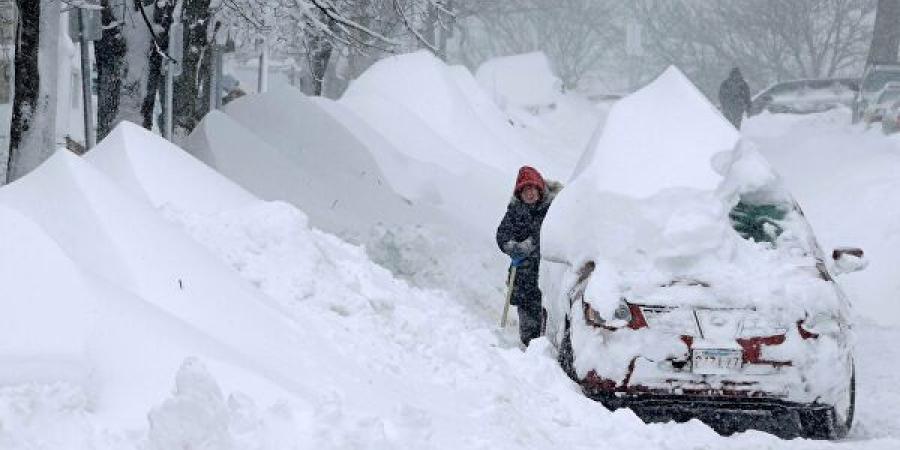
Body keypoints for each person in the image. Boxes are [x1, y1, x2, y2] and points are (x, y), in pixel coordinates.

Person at [496, 166, 562, 346]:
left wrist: (531, 244)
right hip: (524, 272)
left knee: (549, 310)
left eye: (532, 188)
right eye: (525, 190)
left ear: (540, 188)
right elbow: (502, 234)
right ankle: (529, 348)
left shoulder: (553, 209)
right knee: (527, 310)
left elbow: (553, 234)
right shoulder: (515, 210)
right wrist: (511, 246)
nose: (530, 194)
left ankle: (549, 346)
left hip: (548, 269)